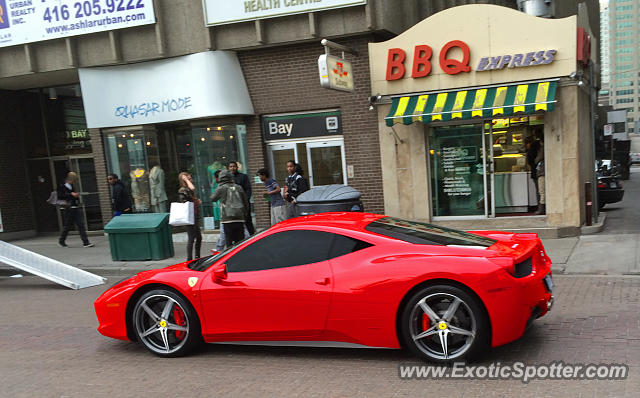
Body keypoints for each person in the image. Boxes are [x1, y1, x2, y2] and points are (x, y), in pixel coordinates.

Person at [213, 170, 250, 252]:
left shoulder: (222, 188)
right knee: (240, 241)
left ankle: (230, 259)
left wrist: (219, 186)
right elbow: (245, 202)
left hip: (227, 219)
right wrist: (244, 214)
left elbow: (213, 198)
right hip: (239, 218)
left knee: (229, 241)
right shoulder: (238, 187)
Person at [58, 172, 93, 248]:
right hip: (67, 208)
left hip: (74, 207)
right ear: (69, 179)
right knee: (68, 225)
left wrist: (75, 196)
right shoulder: (61, 186)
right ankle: (61, 240)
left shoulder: (72, 186)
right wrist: (71, 194)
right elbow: (60, 196)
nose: (73, 182)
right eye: (72, 180)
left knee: (80, 224)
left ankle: (86, 242)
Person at [178, 172, 202, 261]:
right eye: (189, 178)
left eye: (190, 178)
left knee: (198, 237)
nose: (191, 180)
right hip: (188, 217)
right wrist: (185, 179)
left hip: (194, 215)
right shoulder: (182, 190)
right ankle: (189, 259)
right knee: (191, 238)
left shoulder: (189, 190)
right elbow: (184, 202)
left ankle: (197, 257)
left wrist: (196, 201)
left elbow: (192, 196)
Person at [228, 161, 255, 235]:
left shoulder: (243, 176)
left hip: (244, 203)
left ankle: (252, 237)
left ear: (237, 167)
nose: (232, 168)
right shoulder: (228, 178)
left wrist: (245, 200)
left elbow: (248, 189)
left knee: (248, 221)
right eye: (231, 166)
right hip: (233, 205)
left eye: (234, 166)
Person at [525, 136, 541, 212]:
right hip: (539, 172)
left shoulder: (531, 151)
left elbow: (530, 162)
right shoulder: (538, 148)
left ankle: (540, 207)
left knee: (539, 191)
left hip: (536, 172)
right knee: (540, 190)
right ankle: (541, 207)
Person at [534, 139, 545, 215]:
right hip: (542, 172)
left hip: (542, 172)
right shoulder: (543, 148)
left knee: (542, 191)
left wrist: (536, 160)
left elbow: (538, 159)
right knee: (542, 191)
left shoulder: (542, 148)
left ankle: (541, 209)